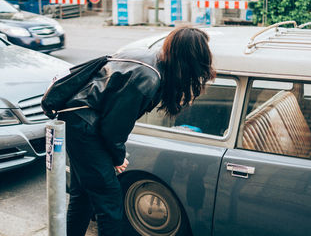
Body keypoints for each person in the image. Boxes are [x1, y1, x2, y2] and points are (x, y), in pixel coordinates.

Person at [57, 26, 215, 236]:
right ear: (191, 58)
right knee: (110, 203)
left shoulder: (151, 58)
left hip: (77, 119)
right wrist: (117, 158)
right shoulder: (149, 79)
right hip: (85, 127)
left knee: (83, 194)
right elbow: (113, 129)